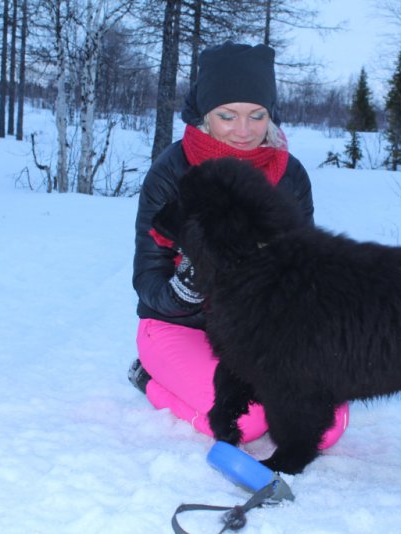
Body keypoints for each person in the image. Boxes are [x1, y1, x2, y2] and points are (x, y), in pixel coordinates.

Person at [129, 41, 349, 449]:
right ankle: (149, 377)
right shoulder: (171, 172)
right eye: (227, 115)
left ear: (271, 115)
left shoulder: (290, 176)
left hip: (260, 331)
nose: (244, 131)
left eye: (257, 115)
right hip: (179, 326)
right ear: (205, 116)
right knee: (244, 424)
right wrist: (189, 284)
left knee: (325, 426)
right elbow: (147, 281)